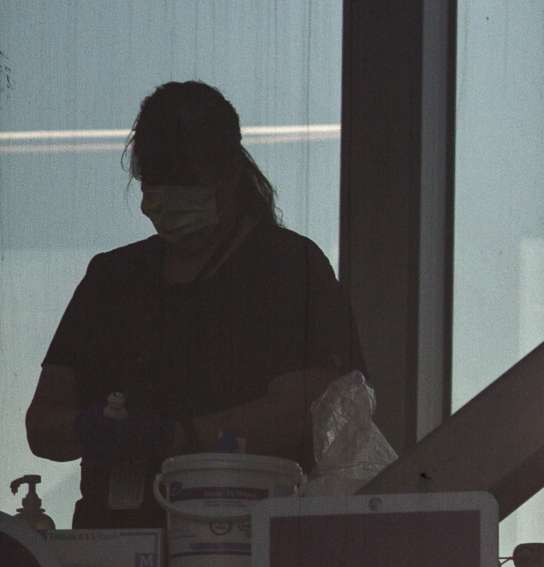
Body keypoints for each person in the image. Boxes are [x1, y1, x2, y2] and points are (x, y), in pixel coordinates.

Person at [25, 81, 364, 528]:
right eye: (154, 179)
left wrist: (180, 438)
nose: (166, 195)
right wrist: (88, 430)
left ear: (228, 174)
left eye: (183, 178)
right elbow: (43, 423)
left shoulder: (288, 268)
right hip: (118, 542)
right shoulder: (112, 278)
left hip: (248, 539)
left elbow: (313, 409)